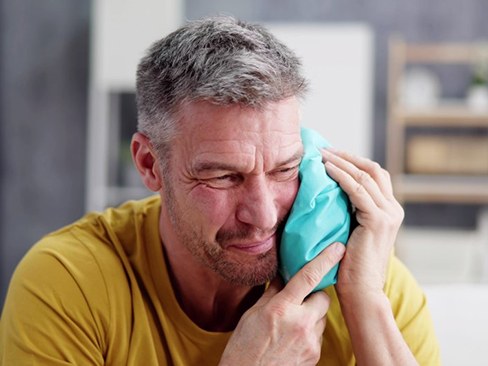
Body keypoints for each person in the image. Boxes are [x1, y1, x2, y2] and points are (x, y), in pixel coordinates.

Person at [0, 16, 440, 365]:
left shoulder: (365, 279)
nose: (264, 215)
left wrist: (365, 305)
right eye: (224, 177)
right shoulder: (69, 283)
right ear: (150, 164)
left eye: (285, 169)